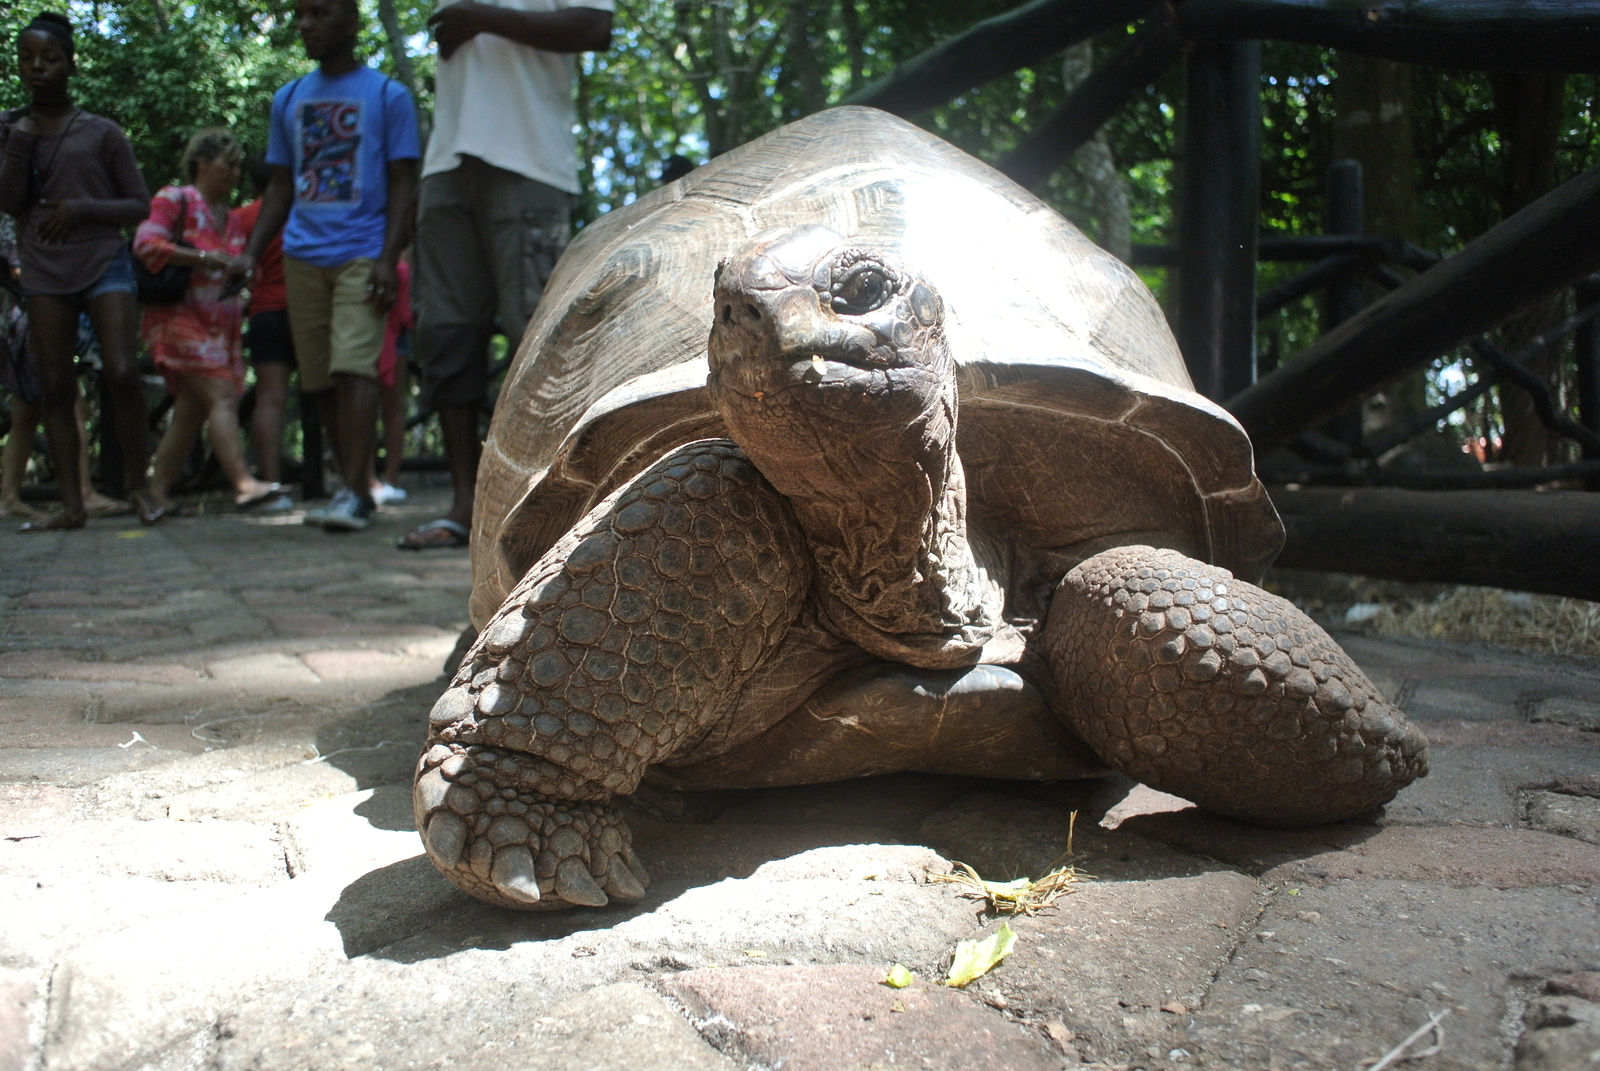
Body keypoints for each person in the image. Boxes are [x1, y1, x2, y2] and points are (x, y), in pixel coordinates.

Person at [397, 0, 612, 549]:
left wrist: (483, 17)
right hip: (446, 166)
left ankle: (554, 507)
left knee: (539, 337)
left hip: (530, 162)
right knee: (444, 334)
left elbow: (594, 26)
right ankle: (465, 508)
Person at [239, 0, 419, 534]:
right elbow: (279, 186)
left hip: (363, 251)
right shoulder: (289, 98)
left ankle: (356, 494)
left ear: (351, 21)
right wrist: (250, 253)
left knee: (354, 365)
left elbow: (405, 183)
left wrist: (390, 258)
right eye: (300, 14)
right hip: (301, 255)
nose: (305, 25)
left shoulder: (390, 96)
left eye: (319, 13)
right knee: (318, 382)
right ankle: (354, 484)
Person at [0, 11, 159, 530]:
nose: (37, 67)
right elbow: (9, 202)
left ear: (71, 63)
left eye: (48, 57)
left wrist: (81, 209)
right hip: (44, 269)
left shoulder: (102, 132)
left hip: (102, 260)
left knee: (121, 371)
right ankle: (71, 505)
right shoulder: (10, 130)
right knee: (54, 385)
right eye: (26, 58)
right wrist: (20, 142)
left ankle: (140, 489)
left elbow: (138, 204)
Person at [133, 128, 280, 512]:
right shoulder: (175, 199)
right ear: (201, 163)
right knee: (221, 394)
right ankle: (245, 484)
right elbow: (145, 244)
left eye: (237, 167)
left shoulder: (230, 219)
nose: (234, 173)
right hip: (176, 319)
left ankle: (157, 493)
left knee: (190, 412)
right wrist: (202, 259)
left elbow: (237, 262)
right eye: (227, 164)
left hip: (220, 328)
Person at [232, 154, 295, 511]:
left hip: (265, 313)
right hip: (301, 310)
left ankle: (271, 483)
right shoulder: (297, 213)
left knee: (269, 398)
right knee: (327, 392)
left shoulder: (241, 218)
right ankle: (348, 482)